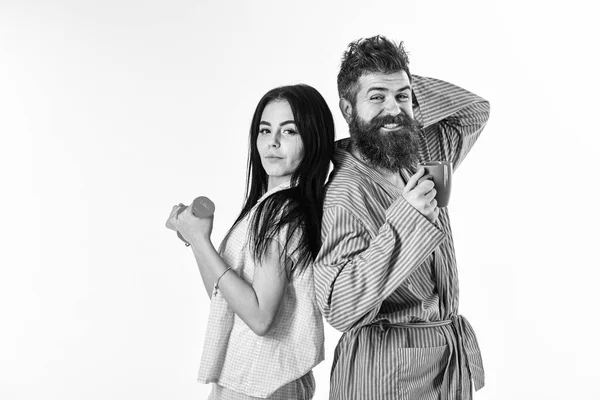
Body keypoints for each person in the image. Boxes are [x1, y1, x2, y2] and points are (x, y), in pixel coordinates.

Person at [313, 35, 490, 399]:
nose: (392, 109)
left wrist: (405, 90)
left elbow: (474, 110)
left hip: (445, 364)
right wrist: (407, 219)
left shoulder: (416, 155)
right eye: (376, 97)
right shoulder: (345, 193)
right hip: (387, 375)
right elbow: (339, 307)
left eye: (401, 96)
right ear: (348, 109)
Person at [165, 84, 334, 399]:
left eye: (289, 131)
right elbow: (226, 299)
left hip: (262, 386)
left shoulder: (283, 211)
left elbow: (259, 318)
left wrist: (201, 243)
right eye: (265, 130)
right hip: (246, 380)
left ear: (313, 140)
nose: (272, 142)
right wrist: (198, 239)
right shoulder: (266, 205)